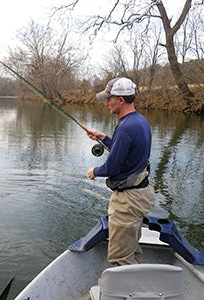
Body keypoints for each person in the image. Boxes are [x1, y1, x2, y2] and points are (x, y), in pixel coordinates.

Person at [87, 77, 155, 266]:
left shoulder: (125, 127)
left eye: (109, 99)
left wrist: (95, 171)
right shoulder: (139, 121)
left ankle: (126, 292)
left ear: (120, 100)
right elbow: (127, 155)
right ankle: (138, 284)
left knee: (120, 258)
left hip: (127, 202)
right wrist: (104, 138)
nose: (106, 103)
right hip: (140, 194)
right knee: (131, 248)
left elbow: (112, 168)